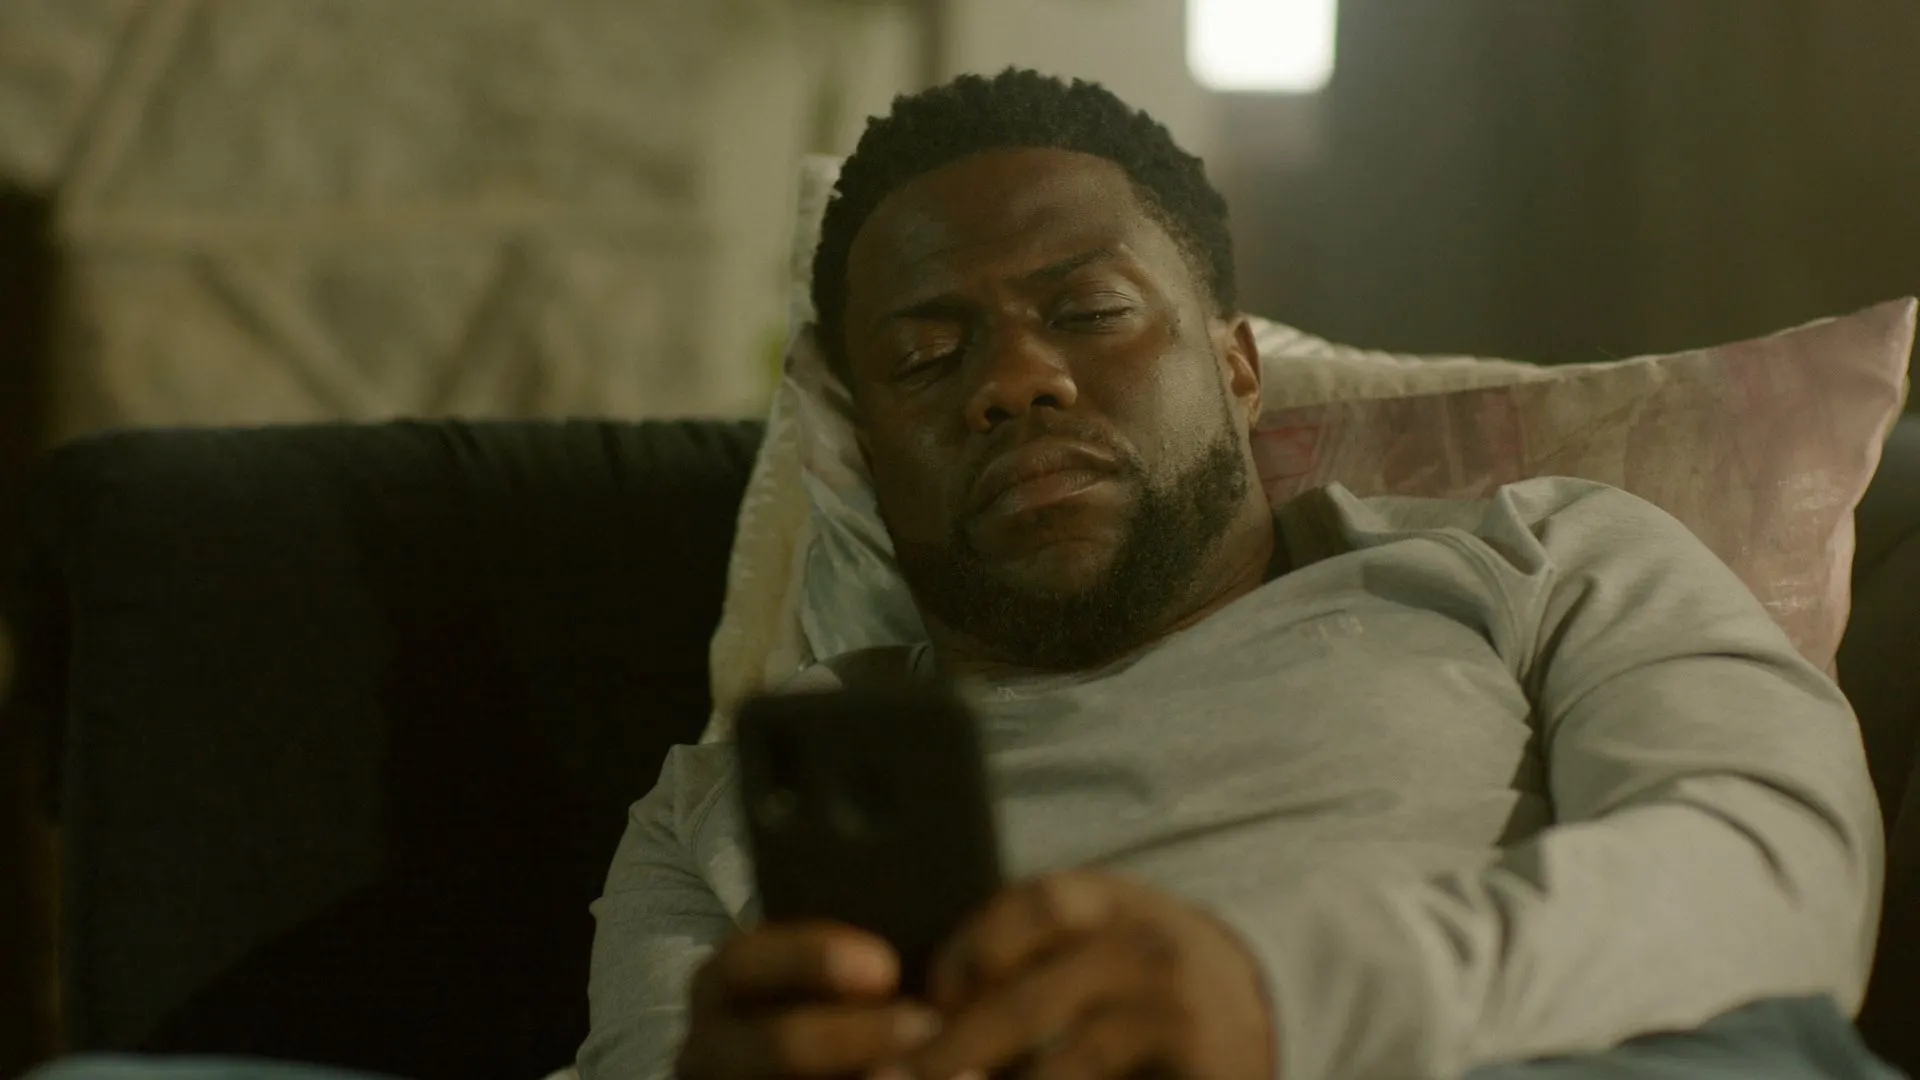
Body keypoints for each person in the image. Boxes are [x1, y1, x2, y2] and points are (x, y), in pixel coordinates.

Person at [578, 69, 1898, 1080]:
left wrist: (1280, 999)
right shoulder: (718, 807)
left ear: (1237, 367)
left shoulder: (1544, 560)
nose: (1015, 380)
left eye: (1090, 311)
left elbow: (1778, 881)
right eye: (928, 357)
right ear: (868, 454)